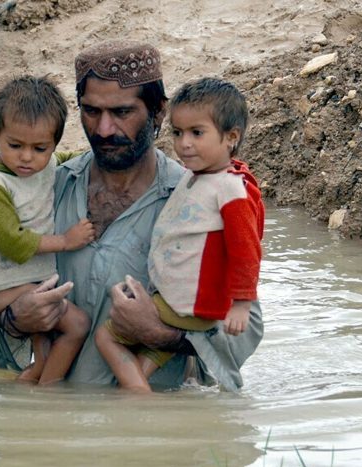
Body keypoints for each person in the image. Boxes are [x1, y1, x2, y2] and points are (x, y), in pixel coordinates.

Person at [0, 40, 263, 392]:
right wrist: (15, 320)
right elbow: (0, 289)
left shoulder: (199, 197)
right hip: (53, 426)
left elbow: (246, 330)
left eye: (121, 112)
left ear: (158, 112)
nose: (103, 129)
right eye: (91, 111)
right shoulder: (46, 188)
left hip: (150, 431)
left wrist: (161, 334)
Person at [94, 77, 264, 392]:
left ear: (231, 137)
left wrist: (241, 304)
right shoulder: (199, 178)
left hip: (187, 306)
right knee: (138, 373)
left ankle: (138, 401)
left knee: (105, 335)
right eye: (177, 132)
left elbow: (246, 249)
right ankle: (138, 398)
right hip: (178, 302)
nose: (184, 143)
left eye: (197, 133)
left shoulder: (230, 188)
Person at [0, 75, 96, 385]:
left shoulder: (46, 164)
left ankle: (30, 388)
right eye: (15, 145)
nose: (26, 157)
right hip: (10, 288)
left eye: (40, 148)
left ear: (53, 143)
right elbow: (10, 240)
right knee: (77, 325)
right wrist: (65, 241)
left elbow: (69, 162)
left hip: (33, 281)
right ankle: (46, 395)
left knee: (46, 351)